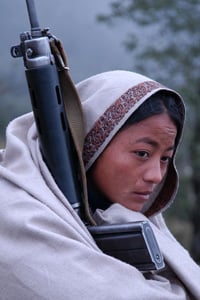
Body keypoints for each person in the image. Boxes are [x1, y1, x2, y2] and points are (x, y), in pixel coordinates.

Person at [0, 70, 199, 300]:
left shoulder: (120, 212)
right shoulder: (15, 213)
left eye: (165, 158)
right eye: (142, 153)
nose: (156, 176)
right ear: (90, 143)